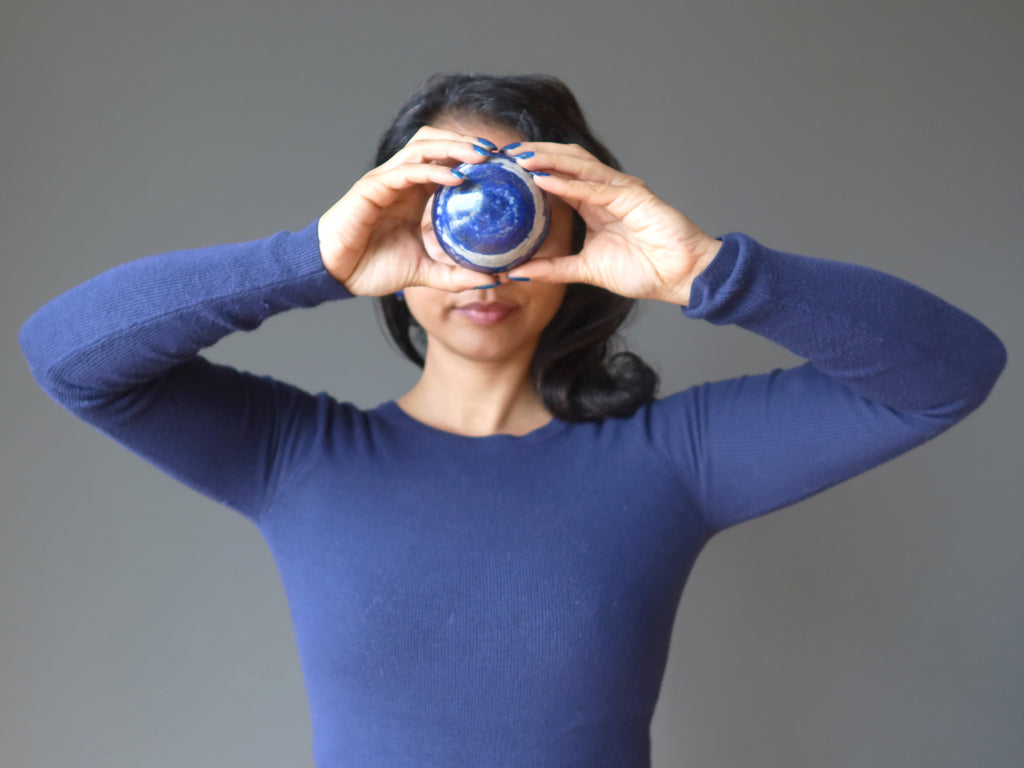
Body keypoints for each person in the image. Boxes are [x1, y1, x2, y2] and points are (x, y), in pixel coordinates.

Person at [19, 73, 1006, 767]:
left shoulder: (671, 461)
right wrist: (311, 258)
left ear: (578, 226)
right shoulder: (298, 457)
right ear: (394, 221)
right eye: (446, 202)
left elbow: (947, 373)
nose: (482, 256)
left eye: (522, 204)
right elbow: (67, 352)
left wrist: (703, 270)